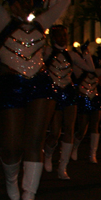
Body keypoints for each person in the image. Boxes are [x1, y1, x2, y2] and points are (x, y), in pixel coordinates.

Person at [0, 0, 71, 200]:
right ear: (11, 2)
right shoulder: (1, 20)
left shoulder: (41, 23)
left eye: (29, 0)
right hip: (11, 83)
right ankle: (11, 177)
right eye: (22, 0)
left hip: (39, 83)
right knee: (10, 147)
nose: (26, 5)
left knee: (34, 141)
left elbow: (65, 1)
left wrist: (41, 1)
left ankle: (29, 196)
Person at [42, 25, 92, 180]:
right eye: (60, 35)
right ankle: (48, 154)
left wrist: (85, 53)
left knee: (69, 129)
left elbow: (90, 68)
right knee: (55, 132)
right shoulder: (48, 52)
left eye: (65, 35)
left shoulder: (72, 54)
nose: (63, 38)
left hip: (68, 92)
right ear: (53, 37)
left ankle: (63, 167)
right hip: (53, 92)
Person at [71, 45, 101, 163]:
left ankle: (93, 154)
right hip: (83, 99)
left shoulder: (97, 72)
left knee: (95, 126)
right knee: (82, 129)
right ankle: (75, 147)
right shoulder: (79, 71)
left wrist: (99, 61)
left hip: (94, 99)